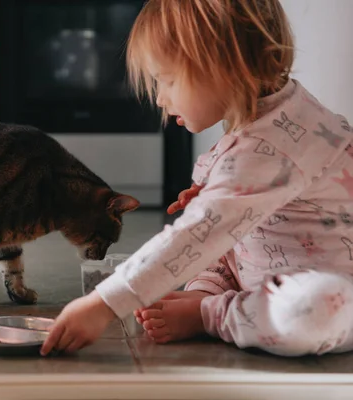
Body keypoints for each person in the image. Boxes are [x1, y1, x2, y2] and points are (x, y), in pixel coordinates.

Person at [40, 0, 353, 357]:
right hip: (256, 268)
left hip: (322, 287)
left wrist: (103, 303)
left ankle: (213, 314)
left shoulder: (276, 142)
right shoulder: (273, 118)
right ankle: (206, 291)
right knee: (215, 249)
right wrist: (212, 197)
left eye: (167, 81)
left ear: (224, 66)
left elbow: (198, 233)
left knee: (315, 309)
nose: (160, 98)